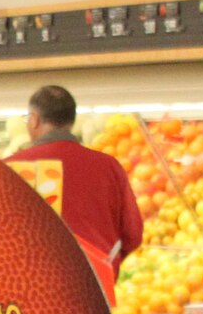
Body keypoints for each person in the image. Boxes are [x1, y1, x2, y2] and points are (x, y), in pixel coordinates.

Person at [8, 84, 145, 298]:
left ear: (34, 119)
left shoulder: (11, 168)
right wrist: (108, 262)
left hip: (29, 294)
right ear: (71, 120)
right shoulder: (107, 167)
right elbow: (133, 235)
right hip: (94, 290)